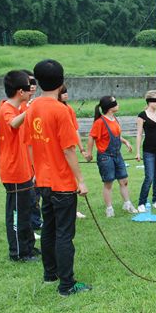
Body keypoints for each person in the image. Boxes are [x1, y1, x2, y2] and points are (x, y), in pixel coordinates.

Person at [23, 59, 91, 297]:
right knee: (64, 234)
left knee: (50, 229)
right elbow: (68, 149)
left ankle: (50, 274)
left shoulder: (31, 108)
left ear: (38, 82)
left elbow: (29, 144)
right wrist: (80, 180)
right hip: (61, 183)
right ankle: (67, 284)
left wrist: (35, 170)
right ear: (62, 82)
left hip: (42, 181)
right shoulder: (61, 111)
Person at [0, 70, 38, 262]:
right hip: (13, 171)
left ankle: (29, 247)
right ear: (20, 91)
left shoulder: (18, 108)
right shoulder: (6, 109)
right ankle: (18, 253)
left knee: (27, 211)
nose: (32, 91)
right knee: (17, 216)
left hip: (24, 169)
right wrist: (30, 110)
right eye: (29, 88)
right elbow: (12, 124)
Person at [85, 96, 138, 216]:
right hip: (105, 156)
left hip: (117, 155)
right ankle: (109, 209)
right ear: (110, 107)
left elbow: (116, 135)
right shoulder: (100, 122)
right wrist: (89, 153)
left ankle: (127, 204)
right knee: (108, 183)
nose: (118, 105)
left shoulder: (115, 119)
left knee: (124, 180)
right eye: (115, 103)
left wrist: (125, 141)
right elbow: (91, 137)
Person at [135, 90, 156, 212]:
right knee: (149, 177)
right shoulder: (142, 115)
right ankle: (141, 202)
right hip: (148, 150)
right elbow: (139, 134)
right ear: (149, 101)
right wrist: (138, 152)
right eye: (155, 100)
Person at [59, 86, 87, 219]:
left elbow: (75, 130)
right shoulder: (57, 109)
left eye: (66, 92)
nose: (65, 95)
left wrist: (82, 149)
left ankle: (73, 210)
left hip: (69, 150)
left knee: (72, 181)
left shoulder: (68, 109)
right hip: (58, 153)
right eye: (62, 93)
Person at [21, 69, 43, 231]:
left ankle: (35, 221)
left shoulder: (35, 104)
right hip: (25, 156)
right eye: (29, 83)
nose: (32, 86)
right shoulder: (20, 106)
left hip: (38, 152)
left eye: (34, 83)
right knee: (29, 194)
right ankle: (30, 222)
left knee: (36, 193)